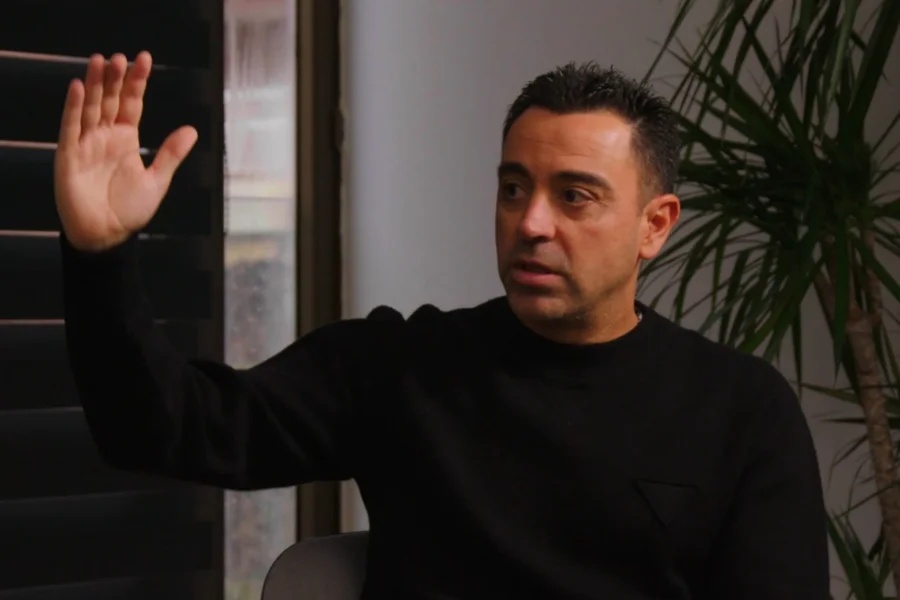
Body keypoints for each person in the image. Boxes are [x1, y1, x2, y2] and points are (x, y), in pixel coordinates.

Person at [55, 51, 829, 599]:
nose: (531, 223)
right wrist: (99, 254)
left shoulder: (742, 410)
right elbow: (161, 427)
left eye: (574, 197)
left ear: (654, 225)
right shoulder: (399, 367)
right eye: (513, 188)